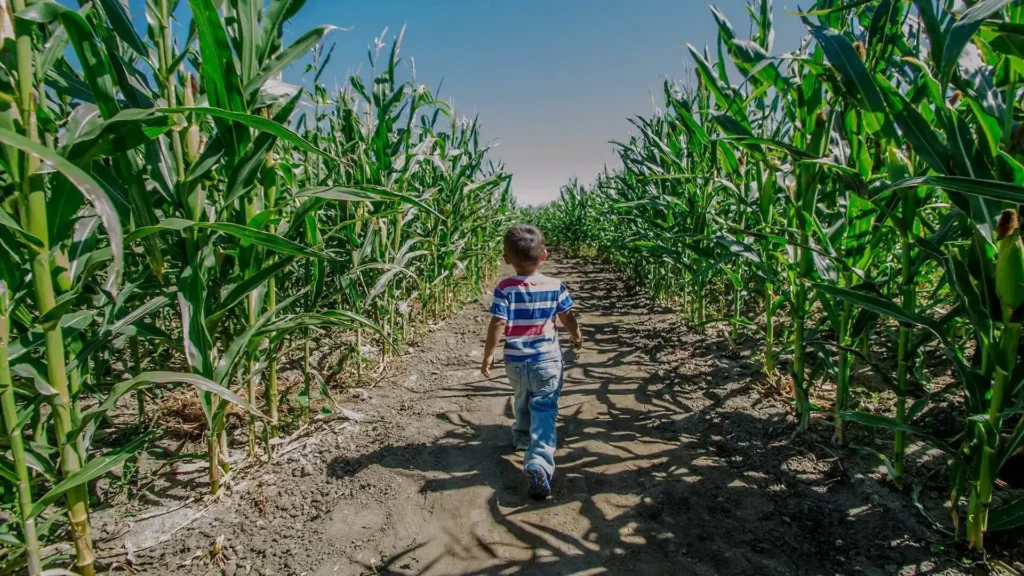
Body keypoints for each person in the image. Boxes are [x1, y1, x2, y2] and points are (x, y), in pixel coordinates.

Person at [481, 224, 583, 500]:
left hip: (515, 360)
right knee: (545, 407)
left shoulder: (505, 288)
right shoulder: (555, 286)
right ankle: (538, 461)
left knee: (521, 397)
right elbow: (567, 316)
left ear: (506, 258)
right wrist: (576, 336)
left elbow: (498, 322)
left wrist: (489, 353)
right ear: (544, 256)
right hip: (547, 361)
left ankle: (522, 437)